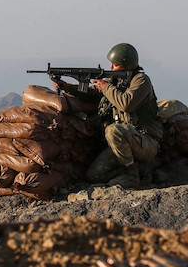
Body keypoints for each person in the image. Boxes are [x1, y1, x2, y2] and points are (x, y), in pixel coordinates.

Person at [53, 43, 163, 187]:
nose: (111, 67)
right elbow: (92, 93)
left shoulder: (141, 80)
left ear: (127, 64)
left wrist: (106, 87)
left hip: (145, 140)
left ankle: (132, 176)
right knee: (95, 175)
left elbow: (126, 104)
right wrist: (68, 87)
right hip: (122, 142)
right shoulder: (115, 80)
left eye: (115, 65)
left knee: (112, 130)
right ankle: (138, 170)